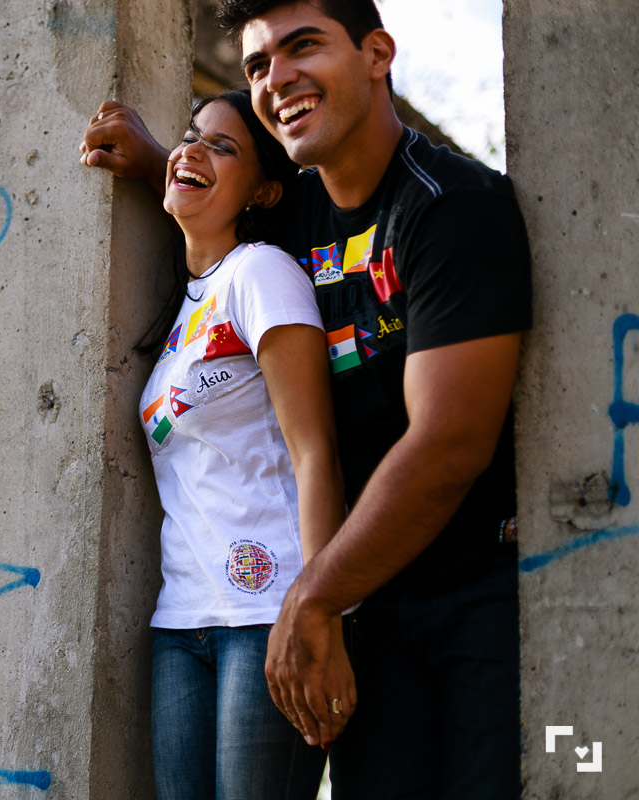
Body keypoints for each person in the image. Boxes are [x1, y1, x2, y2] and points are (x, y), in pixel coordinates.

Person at [79, 2, 533, 798]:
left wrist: (311, 597)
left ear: (376, 54)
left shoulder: (452, 209)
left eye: (302, 48)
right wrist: (157, 159)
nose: (276, 78)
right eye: (257, 65)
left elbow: (448, 446)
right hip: (366, 612)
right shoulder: (295, 215)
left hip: (477, 600)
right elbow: (225, 195)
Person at [136, 89, 351, 800]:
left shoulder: (261, 273)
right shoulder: (183, 310)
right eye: (190, 135)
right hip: (181, 623)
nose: (193, 149)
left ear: (261, 189)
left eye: (221, 146)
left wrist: (320, 614)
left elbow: (315, 449)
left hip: (268, 618)